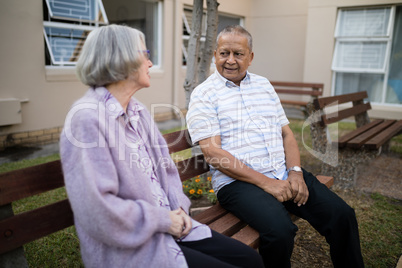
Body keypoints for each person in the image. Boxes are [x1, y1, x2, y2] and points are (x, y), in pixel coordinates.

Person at [60, 25, 263, 268]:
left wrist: (178, 212)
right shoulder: (87, 119)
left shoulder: (136, 111)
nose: (150, 63)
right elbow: (98, 211)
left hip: (170, 228)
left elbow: (166, 171)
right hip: (131, 248)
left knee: (250, 260)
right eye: (144, 54)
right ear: (121, 58)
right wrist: (163, 220)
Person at [186, 25, 365, 268]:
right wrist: (266, 183)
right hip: (237, 183)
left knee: (342, 216)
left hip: (281, 172)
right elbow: (213, 154)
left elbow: (287, 135)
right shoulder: (203, 95)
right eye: (223, 53)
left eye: (238, 54)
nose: (230, 60)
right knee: (280, 231)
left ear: (250, 57)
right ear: (214, 55)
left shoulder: (263, 85)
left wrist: (295, 172)